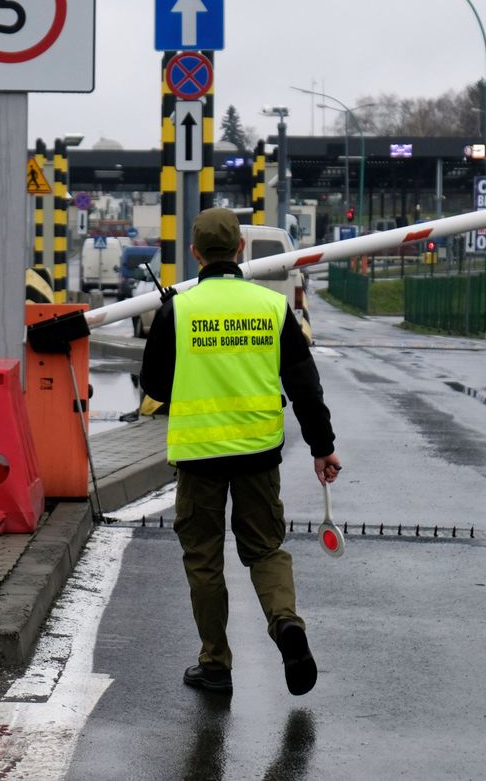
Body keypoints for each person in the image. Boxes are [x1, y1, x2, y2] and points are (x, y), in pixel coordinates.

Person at [141, 207, 341, 697]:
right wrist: (322, 447)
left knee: (204, 559)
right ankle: (285, 623)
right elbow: (303, 384)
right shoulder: (271, 309)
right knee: (265, 550)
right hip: (258, 453)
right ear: (241, 250)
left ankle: (215, 665)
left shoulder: (178, 309)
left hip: (198, 456)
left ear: (194, 253)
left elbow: (153, 385)